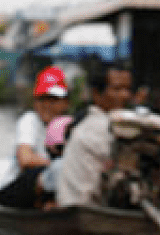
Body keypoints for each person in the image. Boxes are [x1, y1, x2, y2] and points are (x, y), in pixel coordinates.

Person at [0, 66, 69, 209]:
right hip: (22, 186)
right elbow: (25, 159)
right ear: (35, 102)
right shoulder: (30, 121)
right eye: (42, 99)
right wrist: (66, 166)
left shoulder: (68, 125)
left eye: (53, 100)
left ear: (65, 102)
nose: (47, 105)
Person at [55, 62, 131, 208]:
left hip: (76, 206)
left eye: (127, 89)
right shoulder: (103, 126)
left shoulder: (91, 121)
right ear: (96, 94)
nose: (125, 95)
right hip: (84, 208)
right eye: (117, 89)